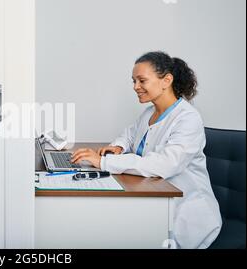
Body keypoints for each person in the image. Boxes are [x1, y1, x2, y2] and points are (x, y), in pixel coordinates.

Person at [71, 51, 222, 249]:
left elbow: (164, 164)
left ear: (166, 80)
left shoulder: (188, 119)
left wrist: (103, 162)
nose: (136, 87)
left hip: (186, 214)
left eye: (142, 80)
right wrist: (119, 146)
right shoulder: (150, 112)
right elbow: (130, 135)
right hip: (154, 198)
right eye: (134, 81)